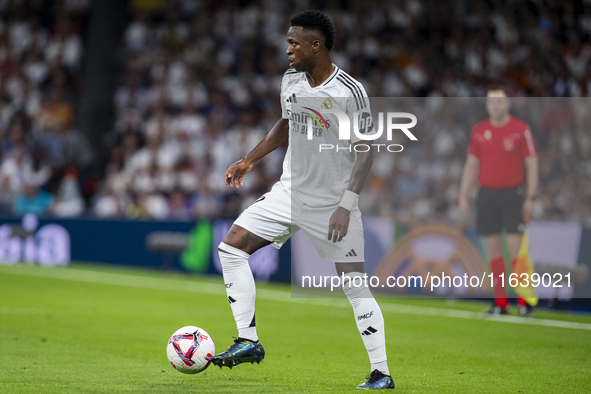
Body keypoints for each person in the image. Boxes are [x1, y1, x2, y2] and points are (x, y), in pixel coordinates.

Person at [207, 10, 394, 390]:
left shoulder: (349, 92)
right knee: (232, 247)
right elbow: (287, 122)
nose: (288, 49)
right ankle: (249, 340)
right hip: (290, 192)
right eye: (288, 41)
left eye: (294, 42)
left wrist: (346, 204)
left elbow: (367, 151)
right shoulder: (292, 80)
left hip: (332, 202)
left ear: (316, 46)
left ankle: (381, 373)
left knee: (355, 286)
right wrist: (249, 159)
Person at [458, 87, 539, 316]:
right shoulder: (479, 131)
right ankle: (500, 304)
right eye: (491, 102)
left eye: (500, 101)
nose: (496, 105)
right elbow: (472, 164)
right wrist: (463, 194)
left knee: (516, 251)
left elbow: (532, 164)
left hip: (513, 195)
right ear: (487, 105)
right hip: (486, 195)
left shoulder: (521, 130)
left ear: (508, 104)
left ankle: (525, 303)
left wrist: (531, 197)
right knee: (494, 252)